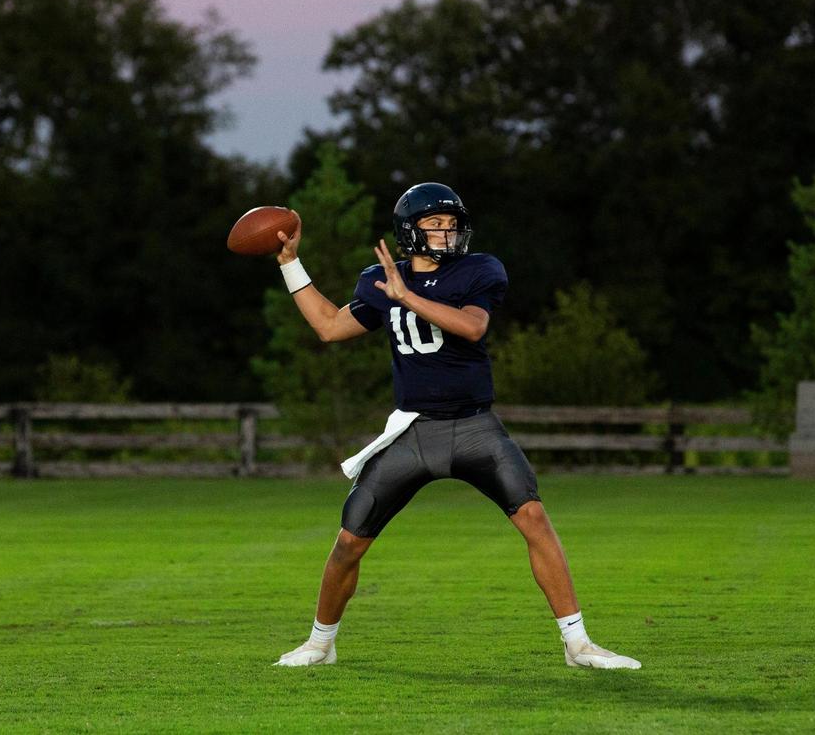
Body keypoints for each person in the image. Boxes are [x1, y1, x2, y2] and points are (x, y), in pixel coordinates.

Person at [271, 182, 640, 670]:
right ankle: (320, 642)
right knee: (349, 541)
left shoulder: (479, 269)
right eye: (434, 224)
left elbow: (472, 327)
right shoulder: (381, 279)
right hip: (413, 433)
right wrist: (289, 263)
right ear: (410, 231)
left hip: (474, 428)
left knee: (533, 518)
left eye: (450, 223)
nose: (446, 232)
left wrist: (407, 297)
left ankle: (578, 643)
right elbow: (329, 327)